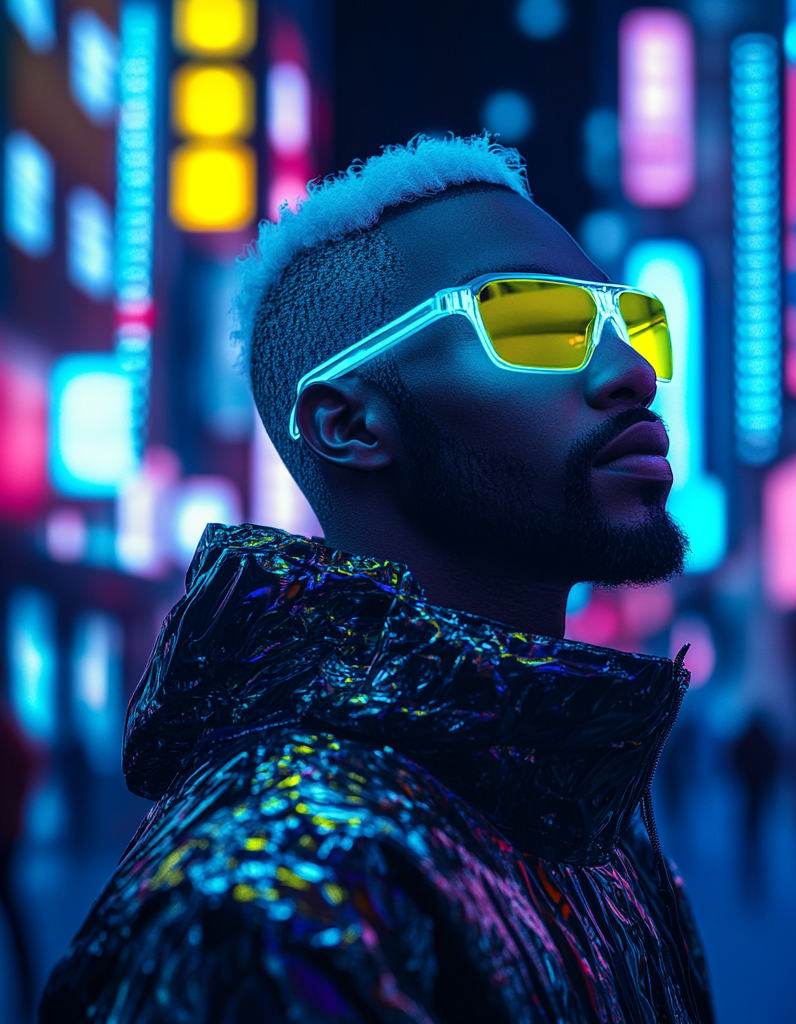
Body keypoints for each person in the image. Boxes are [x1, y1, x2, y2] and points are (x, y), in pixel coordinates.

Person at [41, 136, 714, 1023]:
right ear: (351, 423)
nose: (633, 370)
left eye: (635, 322)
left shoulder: (590, 816)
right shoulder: (260, 903)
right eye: (534, 322)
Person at [0, 707, 36, 1023]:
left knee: (11, 909)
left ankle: (26, 989)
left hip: (4, 834)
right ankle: (26, 989)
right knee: (12, 909)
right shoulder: (10, 728)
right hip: (8, 832)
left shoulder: (5, 729)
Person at [729, 713, 779, 901]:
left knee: (748, 832)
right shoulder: (767, 740)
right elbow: (774, 764)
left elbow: (736, 760)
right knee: (757, 832)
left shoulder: (745, 739)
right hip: (759, 792)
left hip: (748, 790)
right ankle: (756, 874)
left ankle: (747, 872)